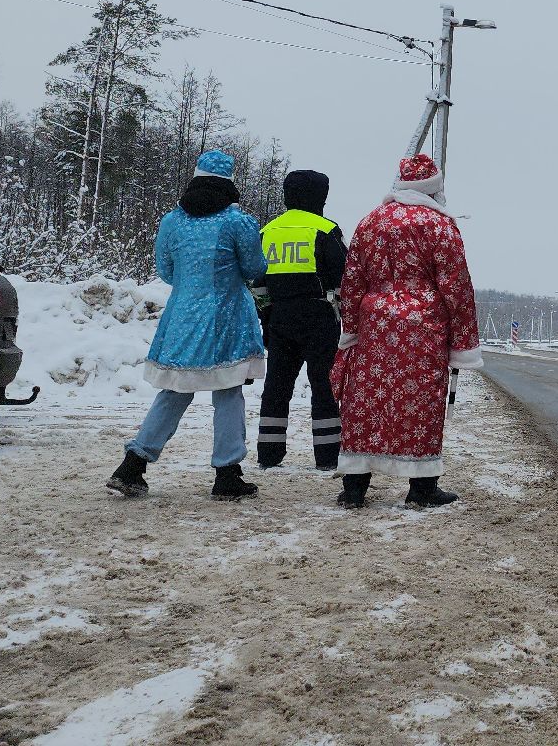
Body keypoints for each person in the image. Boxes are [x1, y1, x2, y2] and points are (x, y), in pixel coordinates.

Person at [106, 150, 268, 501]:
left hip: (182, 316)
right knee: (228, 391)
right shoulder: (238, 222)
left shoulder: (172, 221)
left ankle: (133, 465)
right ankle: (227, 473)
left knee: (175, 391)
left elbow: (165, 270)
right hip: (226, 318)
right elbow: (255, 268)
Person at [331, 153, 481, 509]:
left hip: (375, 325)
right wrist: (463, 342)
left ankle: (354, 486)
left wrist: (351, 328)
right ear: (435, 188)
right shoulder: (440, 225)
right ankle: (422, 488)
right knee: (422, 401)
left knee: (366, 401)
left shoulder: (371, 222)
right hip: (423, 327)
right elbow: (456, 286)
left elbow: (351, 281)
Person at [254, 169, 346, 470]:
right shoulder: (325, 229)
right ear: (321, 196)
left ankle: (268, 453)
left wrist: (267, 314)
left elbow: (257, 281)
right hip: (319, 316)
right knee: (324, 386)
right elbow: (343, 277)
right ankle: (328, 456)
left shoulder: (268, 231)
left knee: (277, 386)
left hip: (279, 316)